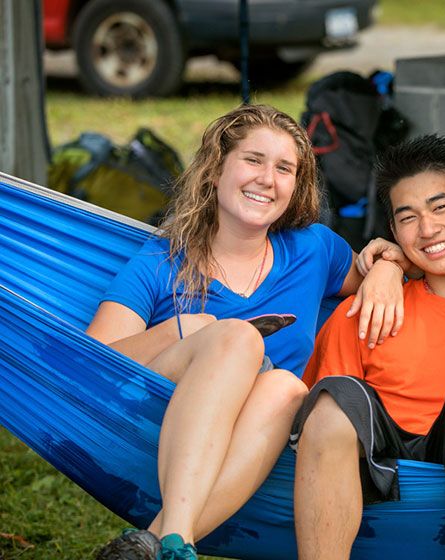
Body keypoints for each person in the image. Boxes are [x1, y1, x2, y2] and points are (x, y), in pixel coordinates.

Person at [85, 104, 403, 560]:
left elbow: (381, 264)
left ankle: (160, 545)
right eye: (253, 160)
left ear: (295, 188)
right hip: (155, 424)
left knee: (285, 387)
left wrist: (389, 267)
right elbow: (89, 366)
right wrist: (185, 331)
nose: (267, 179)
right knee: (237, 338)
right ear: (216, 170)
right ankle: (172, 533)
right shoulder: (161, 262)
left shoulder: (313, 249)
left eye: (284, 168)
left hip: (261, 429)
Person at [291, 134, 445, 560]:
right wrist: (388, 268)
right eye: (408, 218)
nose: (428, 230)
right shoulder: (369, 309)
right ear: (393, 231)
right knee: (330, 405)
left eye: (441, 207)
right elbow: (317, 440)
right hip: (374, 466)